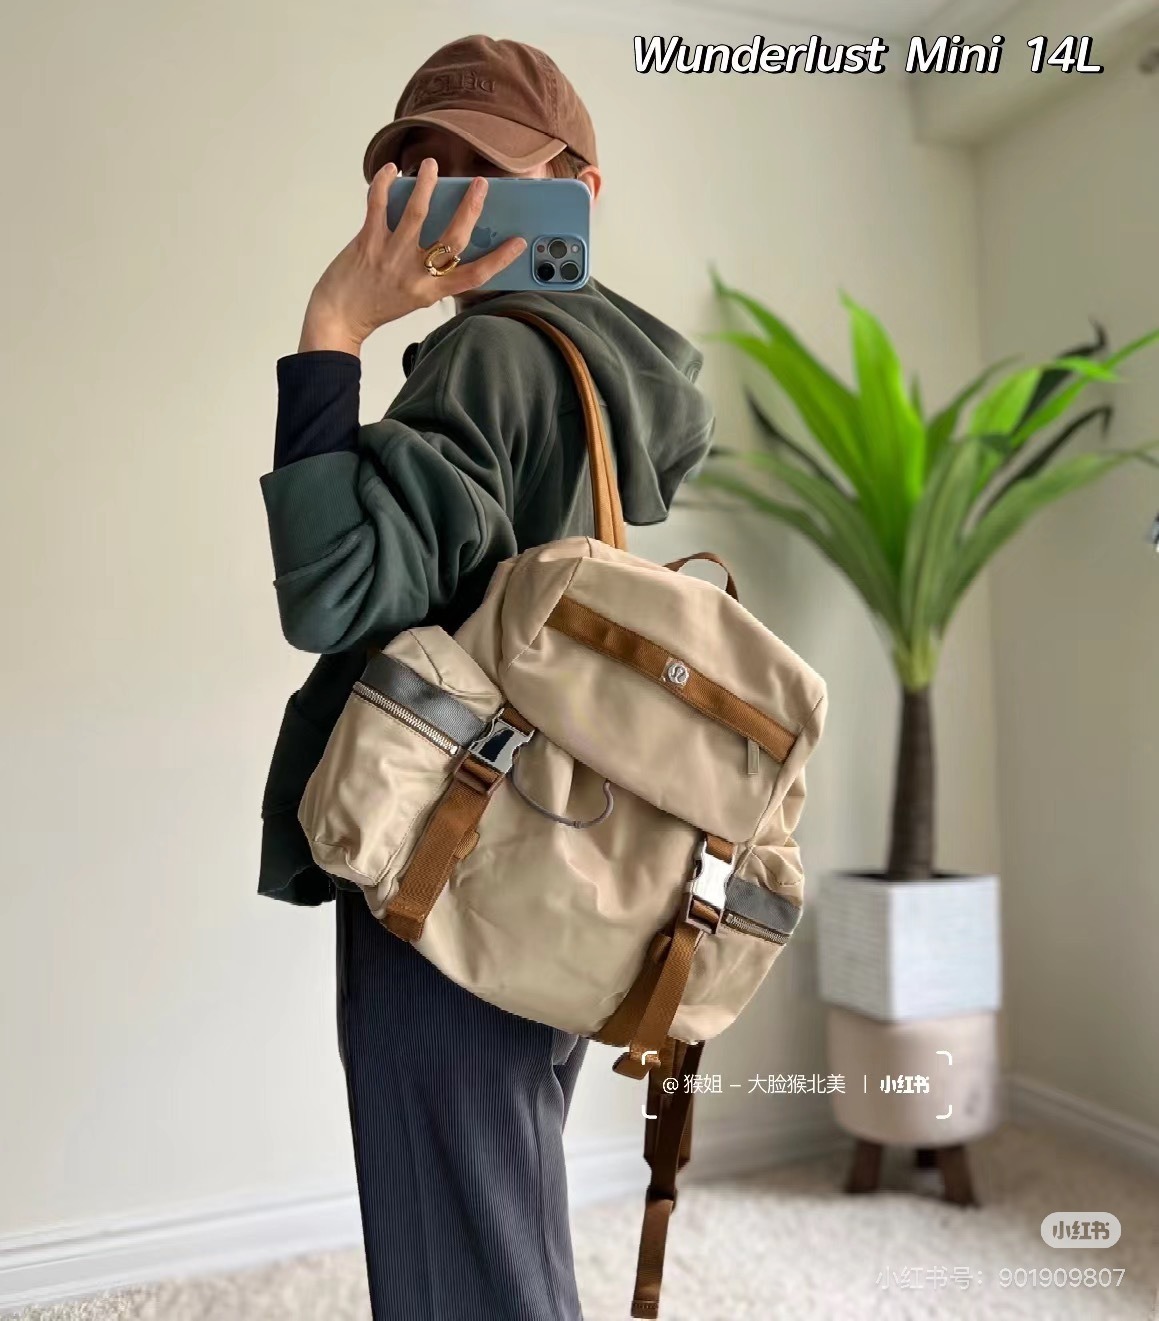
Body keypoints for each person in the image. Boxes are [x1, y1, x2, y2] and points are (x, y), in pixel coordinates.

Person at [258, 34, 715, 1321]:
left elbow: (331, 592)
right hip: (560, 849)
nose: (450, 205)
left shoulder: (492, 359)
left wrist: (335, 326)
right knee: (499, 1216)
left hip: (445, 854)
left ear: (580, 192)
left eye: (490, 174)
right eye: (425, 175)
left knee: (456, 1256)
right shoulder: (616, 378)